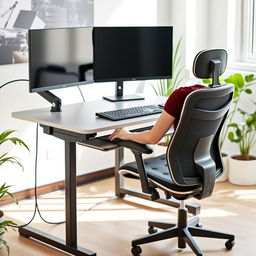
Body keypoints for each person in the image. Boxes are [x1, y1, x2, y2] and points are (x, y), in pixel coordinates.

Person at [109, 84, 205, 144]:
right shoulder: (215, 93)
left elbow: (152, 138)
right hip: (206, 162)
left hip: (180, 165)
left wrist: (127, 134)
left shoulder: (180, 95)